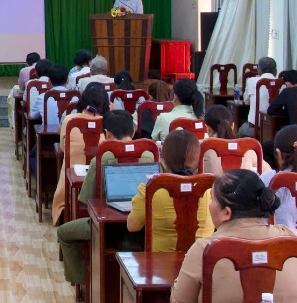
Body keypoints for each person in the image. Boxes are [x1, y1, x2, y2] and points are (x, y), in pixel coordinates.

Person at [170, 169, 297, 303]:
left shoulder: (204, 249)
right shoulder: (294, 241)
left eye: (212, 199)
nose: (210, 205)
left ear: (226, 213)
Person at [56, 110, 146, 287]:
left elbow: (86, 199)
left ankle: (85, 285)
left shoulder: (102, 158)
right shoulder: (150, 155)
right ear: (134, 132)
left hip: (107, 229)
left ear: (107, 134)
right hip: (142, 229)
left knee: (64, 232)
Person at [127, 128, 213, 249]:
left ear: (164, 159)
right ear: (197, 158)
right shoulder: (210, 191)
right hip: (201, 259)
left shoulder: (152, 190)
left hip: (160, 260)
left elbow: (132, 226)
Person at [51, 83, 110, 225]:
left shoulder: (70, 120)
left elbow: (63, 148)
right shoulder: (109, 122)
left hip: (71, 180)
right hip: (100, 182)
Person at [239, 56, 279, 137]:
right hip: (275, 130)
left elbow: (246, 101)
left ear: (258, 70)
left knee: (240, 130)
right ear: (275, 70)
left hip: (254, 129)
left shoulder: (251, 81)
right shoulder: (281, 83)